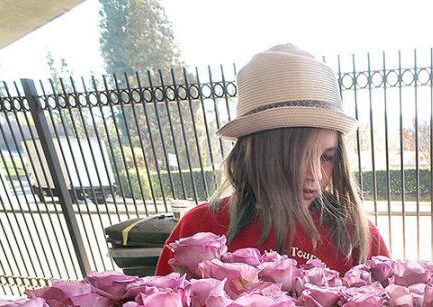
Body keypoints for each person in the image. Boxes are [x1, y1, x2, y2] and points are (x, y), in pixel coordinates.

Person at [154, 44, 389, 275]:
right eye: (298, 157)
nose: (315, 175)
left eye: (327, 157)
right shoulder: (198, 232)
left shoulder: (357, 236)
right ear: (255, 154)